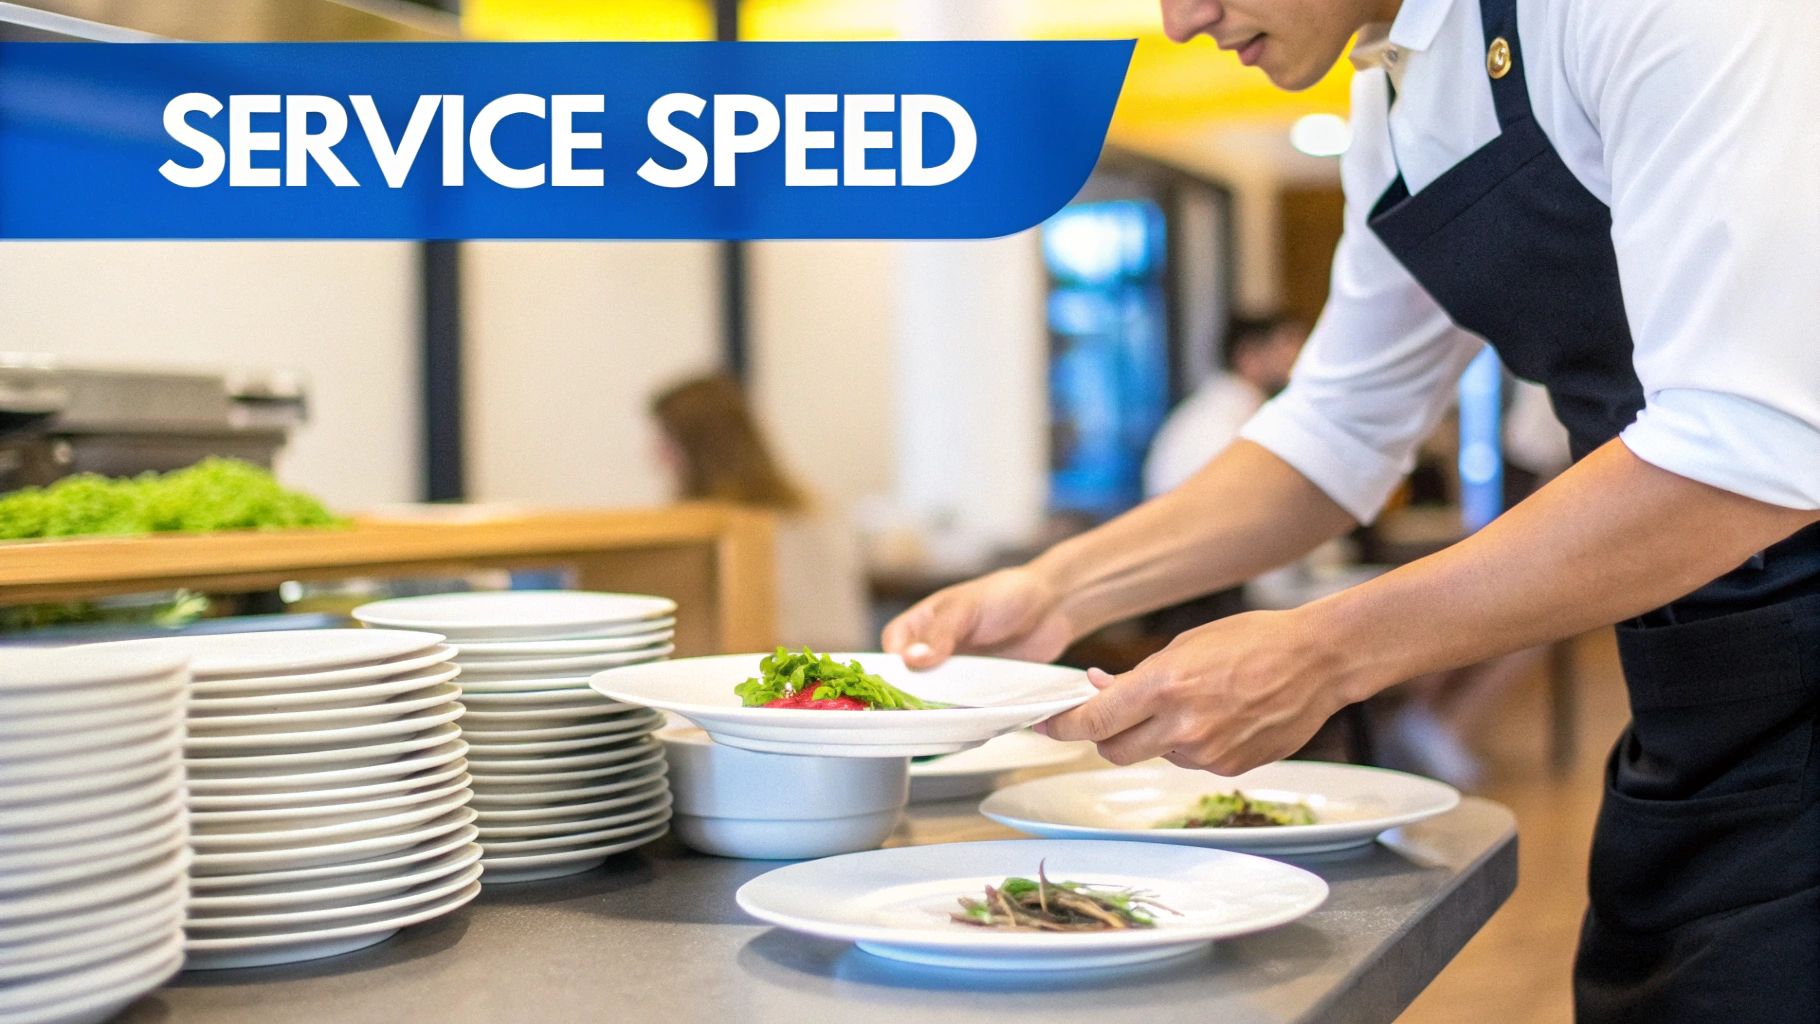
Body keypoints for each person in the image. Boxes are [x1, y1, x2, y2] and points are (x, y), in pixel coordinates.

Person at [882, 1, 1820, 1019]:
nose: (1181, 19)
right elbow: (1336, 427)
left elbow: (1745, 448)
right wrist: (1058, 590)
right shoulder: (1388, 100)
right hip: (1704, 687)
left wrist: (1324, 652)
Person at [650, 374, 869, 653]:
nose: (654, 454)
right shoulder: (814, 510)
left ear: (695, 446)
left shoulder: (711, 530)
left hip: (775, 671)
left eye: (665, 440)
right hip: (845, 663)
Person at [1143, 314, 1308, 498]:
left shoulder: (1215, 407)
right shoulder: (1228, 420)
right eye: (1288, 343)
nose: (1300, 355)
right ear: (1249, 356)